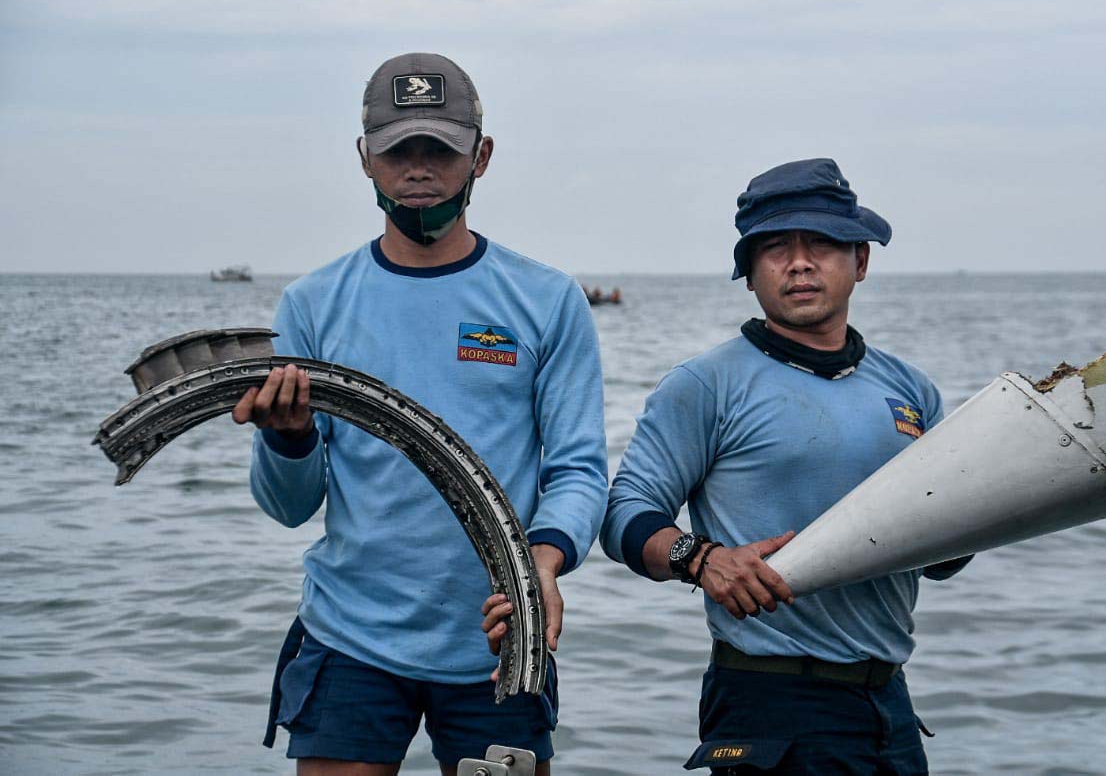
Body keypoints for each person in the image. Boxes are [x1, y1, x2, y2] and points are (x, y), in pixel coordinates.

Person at [232, 52, 607, 775]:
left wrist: (543, 562)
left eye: (439, 147)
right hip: (351, 638)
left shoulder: (547, 299)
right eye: (400, 148)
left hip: (502, 633)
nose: (419, 167)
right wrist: (289, 438)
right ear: (365, 158)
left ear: (481, 156)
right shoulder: (312, 303)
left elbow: (578, 468)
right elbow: (288, 508)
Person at [595, 158, 971, 774]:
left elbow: (942, 556)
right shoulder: (705, 385)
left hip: (889, 705)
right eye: (774, 248)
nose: (799, 262)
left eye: (821, 242)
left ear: (861, 261)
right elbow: (623, 515)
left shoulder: (911, 391)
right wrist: (702, 558)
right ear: (748, 273)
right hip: (768, 701)